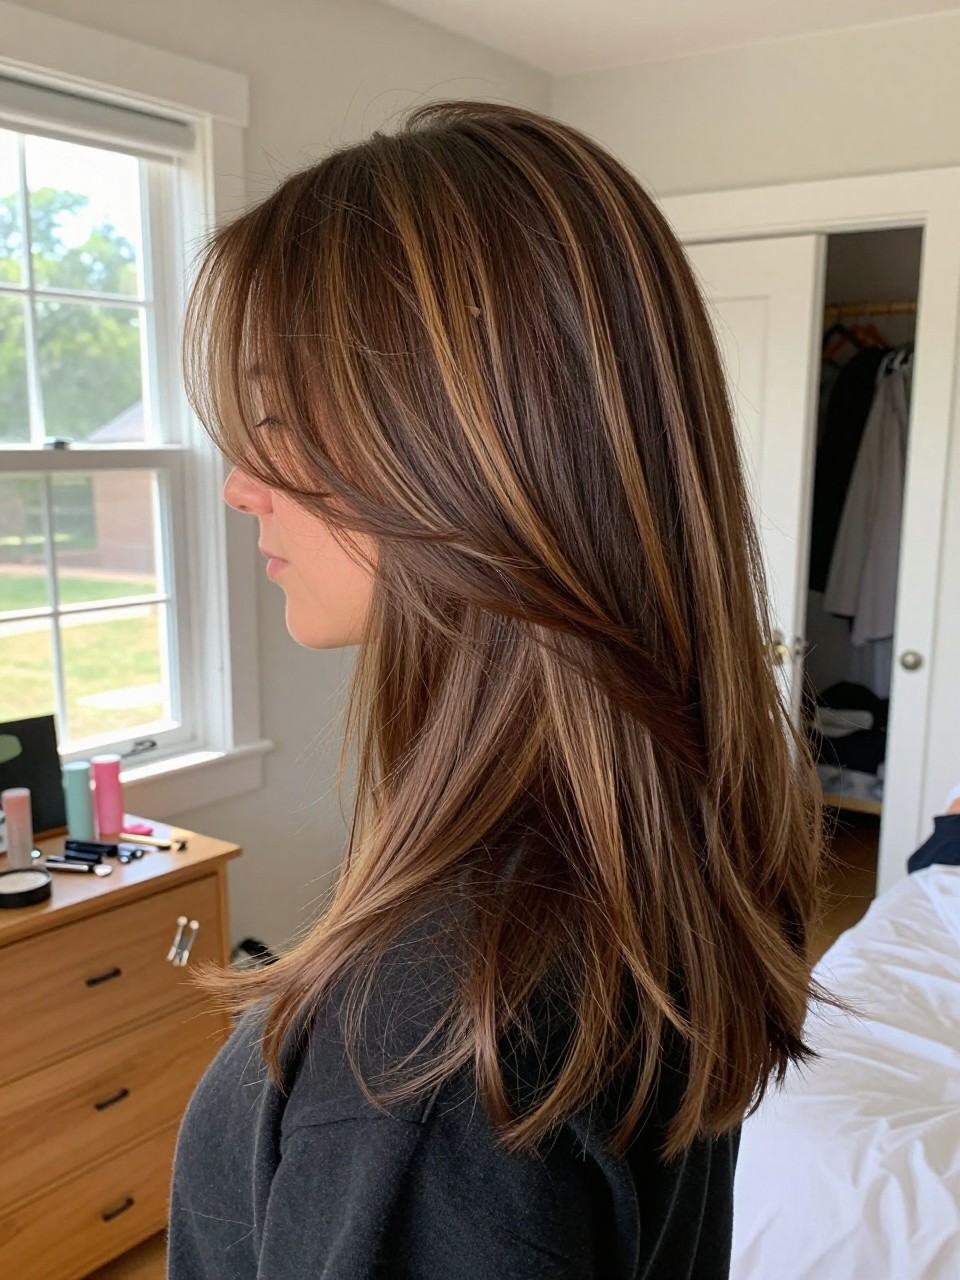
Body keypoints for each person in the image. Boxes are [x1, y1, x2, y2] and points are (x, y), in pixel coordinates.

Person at [169, 101, 824, 1280]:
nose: (239, 484)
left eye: (275, 415)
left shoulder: (426, 1057)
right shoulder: (671, 836)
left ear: (462, 450)